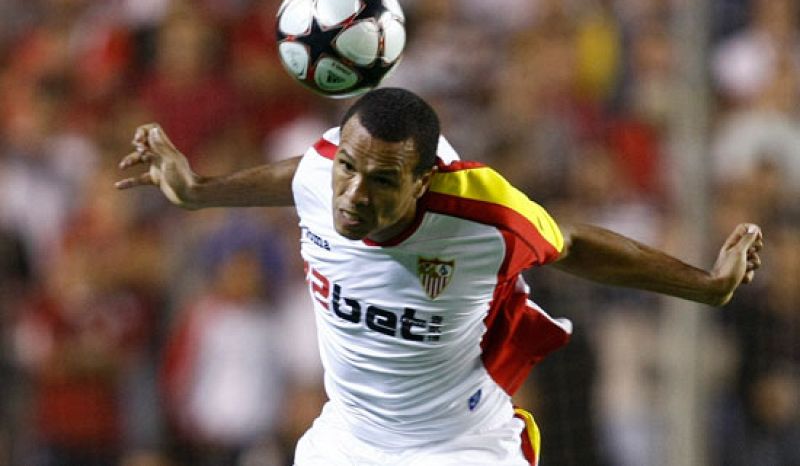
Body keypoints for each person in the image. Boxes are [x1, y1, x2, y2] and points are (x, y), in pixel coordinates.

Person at [116, 88, 763, 466]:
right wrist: (197, 191)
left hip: (460, 446)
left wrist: (705, 285)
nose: (352, 196)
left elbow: (575, 244)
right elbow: (297, 177)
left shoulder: (485, 217)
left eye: (382, 181)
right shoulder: (321, 172)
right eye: (347, 169)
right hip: (349, 439)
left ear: (423, 181)